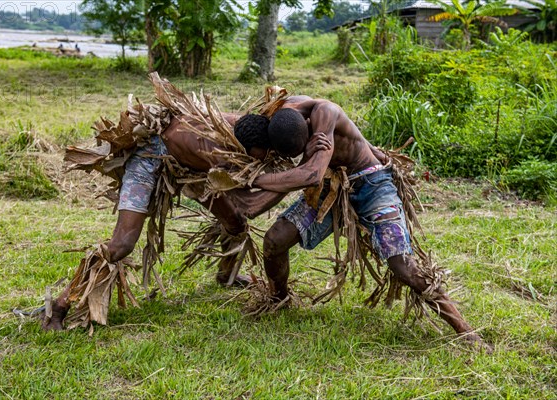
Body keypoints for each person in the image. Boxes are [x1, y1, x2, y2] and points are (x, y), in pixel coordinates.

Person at [43, 110, 327, 331]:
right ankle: (59, 306)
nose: (264, 158)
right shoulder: (219, 154)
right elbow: (247, 205)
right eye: (260, 156)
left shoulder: (248, 128)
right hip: (152, 157)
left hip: (188, 162)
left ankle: (226, 275)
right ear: (246, 147)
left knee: (235, 224)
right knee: (122, 244)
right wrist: (300, 178)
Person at [249, 96, 485, 345]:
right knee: (275, 239)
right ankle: (278, 300)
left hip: (371, 184)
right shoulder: (281, 112)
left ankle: (467, 333)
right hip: (332, 184)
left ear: (308, 125)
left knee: (403, 265)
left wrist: (255, 180)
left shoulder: (325, 112)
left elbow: (311, 173)